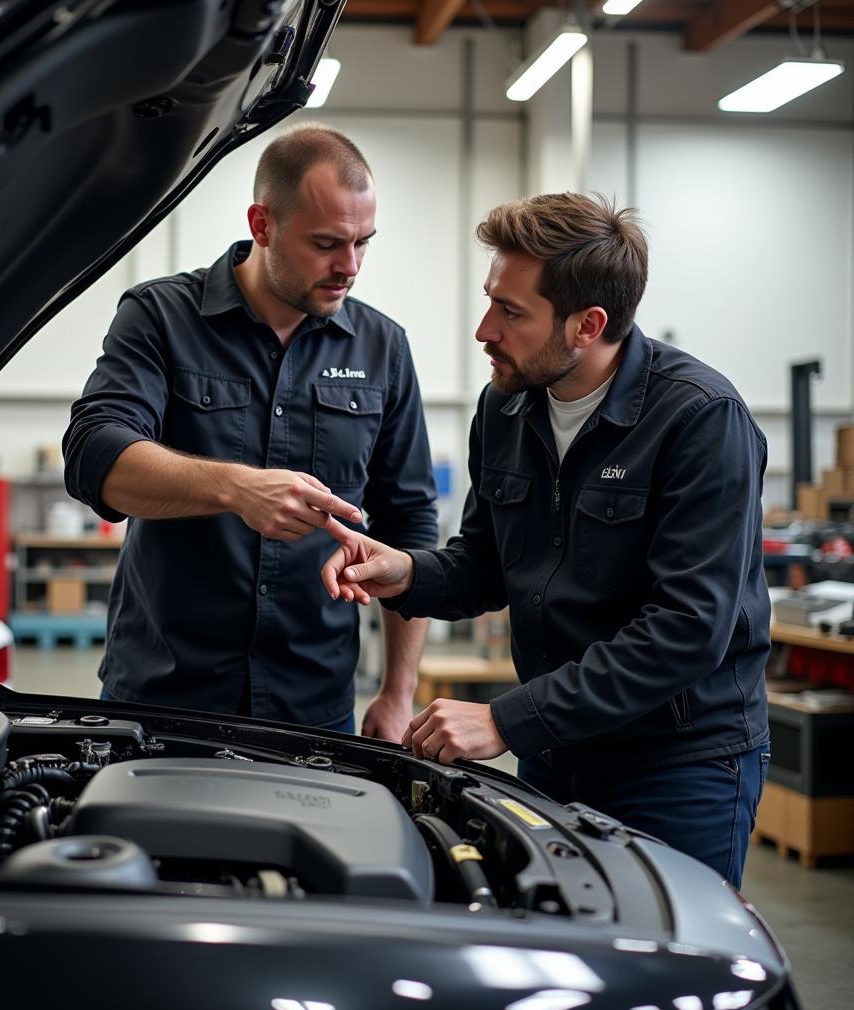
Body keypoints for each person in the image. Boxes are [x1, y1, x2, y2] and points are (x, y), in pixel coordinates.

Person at [320, 192, 771, 887]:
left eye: (511, 311)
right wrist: (404, 570)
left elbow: (688, 628)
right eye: (490, 300)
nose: (483, 329)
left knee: (667, 962)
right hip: (556, 750)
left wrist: (506, 720)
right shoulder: (505, 407)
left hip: (679, 765)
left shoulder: (700, 420)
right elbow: (485, 565)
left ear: (588, 324)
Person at [63, 123, 437, 738]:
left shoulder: (384, 348)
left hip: (314, 709)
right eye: (326, 244)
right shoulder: (161, 317)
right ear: (262, 225)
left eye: (363, 243)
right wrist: (236, 488)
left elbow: (411, 525)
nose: (349, 267)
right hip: (162, 698)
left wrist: (399, 692)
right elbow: (94, 452)